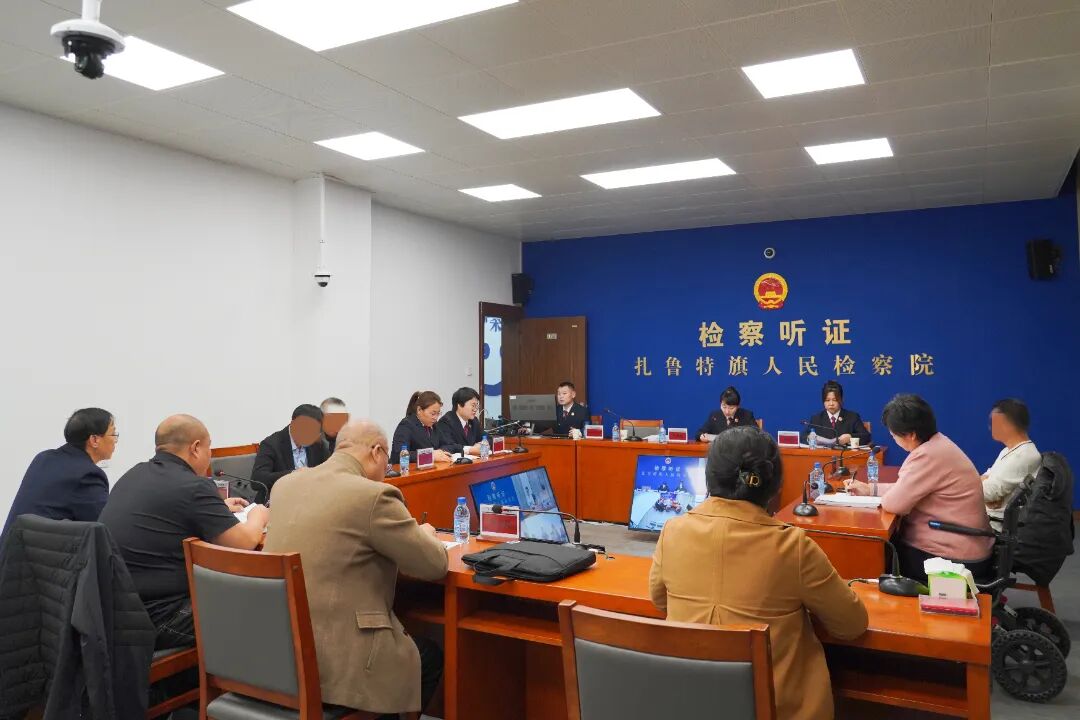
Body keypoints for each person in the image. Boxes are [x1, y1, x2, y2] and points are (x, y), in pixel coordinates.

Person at [650, 427, 867, 720]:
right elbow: (851, 624)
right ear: (775, 485)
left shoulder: (672, 531)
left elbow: (659, 601)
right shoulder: (792, 546)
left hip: (691, 704)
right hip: (778, 710)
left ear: (709, 477)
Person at [263, 419, 448, 718]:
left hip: (278, 655)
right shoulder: (374, 495)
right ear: (376, 452)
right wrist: (425, 534)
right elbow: (434, 565)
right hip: (338, 667)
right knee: (427, 656)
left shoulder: (285, 485)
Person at [100, 414, 269, 650]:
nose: (210, 455)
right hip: (158, 618)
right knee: (266, 607)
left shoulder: (134, 474)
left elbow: (171, 512)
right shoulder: (193, 486)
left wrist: (218, 508)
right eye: (209, 448)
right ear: (196, 448)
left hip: (113, 611)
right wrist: (258, 515)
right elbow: (245, 542)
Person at [845, 394, 993, 583]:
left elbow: (894, 503)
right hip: (967, 544)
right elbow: (906, 489)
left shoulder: (928, 455)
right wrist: (870, 489)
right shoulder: (939, 444)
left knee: (877, 555)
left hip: (954, 557)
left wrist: (876, 492)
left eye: (893, 435)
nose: (893, 439)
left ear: (911, 435)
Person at [3, 408, 117, 536]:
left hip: (12, 546)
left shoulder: (44, 458)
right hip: (41, 548)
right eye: (113, 434)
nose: (115, 440)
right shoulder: (88, 475)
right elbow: (105, 528)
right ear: (94, 440)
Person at [982, 398, 1040, 529]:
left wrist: (988, 494)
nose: (990, 427)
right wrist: (988, 494)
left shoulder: (1024, 455)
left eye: (993, 423)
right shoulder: (1008, 451)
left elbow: (989, 492)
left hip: (994, 525)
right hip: (986, 516)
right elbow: (987, 479)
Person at [252, 404, 331, 500]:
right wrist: (293, 474)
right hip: (278, 500)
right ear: (293, 424)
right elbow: (257, 480)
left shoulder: (318, 444)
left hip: (310, 499)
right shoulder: (271, 444)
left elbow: (329, 470)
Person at [800, 379, 871, 447]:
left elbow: (866, 437)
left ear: (841, 400)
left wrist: (850, 437)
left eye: (834, 400)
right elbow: (803, 437)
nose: (831, 404)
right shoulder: (816, 418)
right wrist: (810, 438)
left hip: (845, 454)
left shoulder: (852, 417)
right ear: (823, 401)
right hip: (823, 454)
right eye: (827, 400)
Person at [391, 391, 452, 465]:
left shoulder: (434, 425)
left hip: (431, 468)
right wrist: (430, 455)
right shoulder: (406, 425)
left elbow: (447, 444)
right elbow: (399, 455)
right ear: (419, 410)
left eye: (438, 413)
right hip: (407, 470)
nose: (435, 418)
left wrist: (440, 451)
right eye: (433, 414)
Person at [436, 387, 484, 455]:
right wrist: (470, 450)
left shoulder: (474, 421)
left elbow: (487, 438)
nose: (475, 409)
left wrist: (481, 444)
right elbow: (448, 445)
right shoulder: (446, 421)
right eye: (473, 405)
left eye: (477, 406)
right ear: (459, 405)